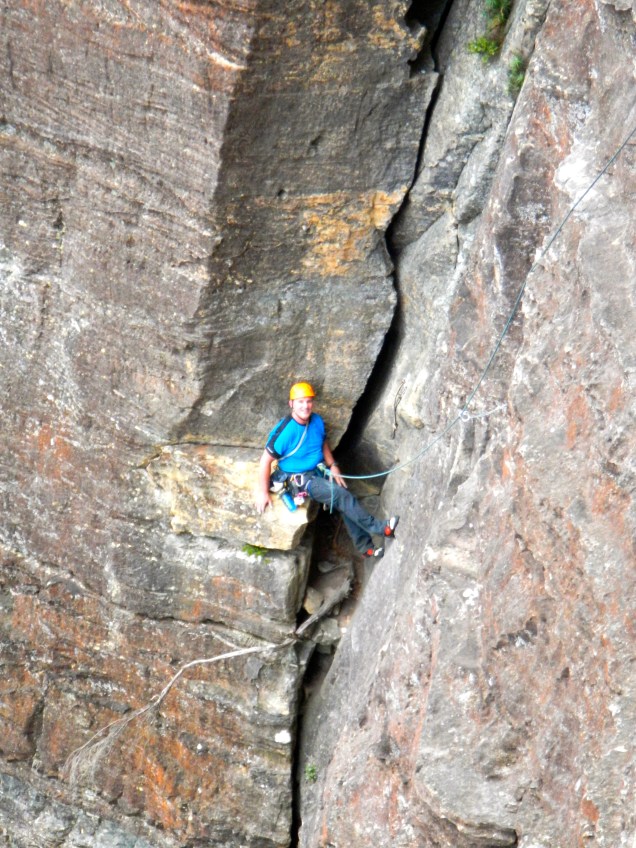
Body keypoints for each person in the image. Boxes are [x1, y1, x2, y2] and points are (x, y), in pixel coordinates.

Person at [255, 382, 398, 558]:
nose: (305, 406)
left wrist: (333, 465)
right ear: (291, 404)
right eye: (300, 402)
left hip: (317, 471)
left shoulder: (316, 421)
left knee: (343, 497)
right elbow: (265, 461)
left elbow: (322, 443)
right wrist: (263, 492)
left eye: (308, 401)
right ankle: (381, 528)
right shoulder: (286, 431)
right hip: (299, 479)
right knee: (340, 495)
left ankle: (366, 548)